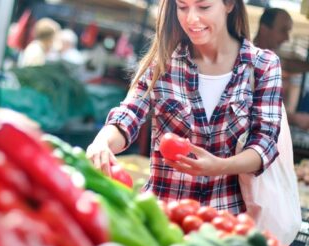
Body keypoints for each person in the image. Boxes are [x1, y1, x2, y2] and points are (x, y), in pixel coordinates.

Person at [86, 0, 282, 214]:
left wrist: (220, 166)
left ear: (229, 5)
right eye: (182, 7)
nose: (191, 19)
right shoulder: (162, 62)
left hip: (224, 222)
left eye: (203, 7)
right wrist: (102, 142)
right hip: (162, 216)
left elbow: (265, 143)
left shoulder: (263, 65)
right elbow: (129, 114)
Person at [254, 8, 309, 130]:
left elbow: (288, 64)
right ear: (264, 29)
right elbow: (256, 110)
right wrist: (295, 118)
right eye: (283, 30)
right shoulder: (251, 63)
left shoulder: (270, 60)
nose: (287, 38)